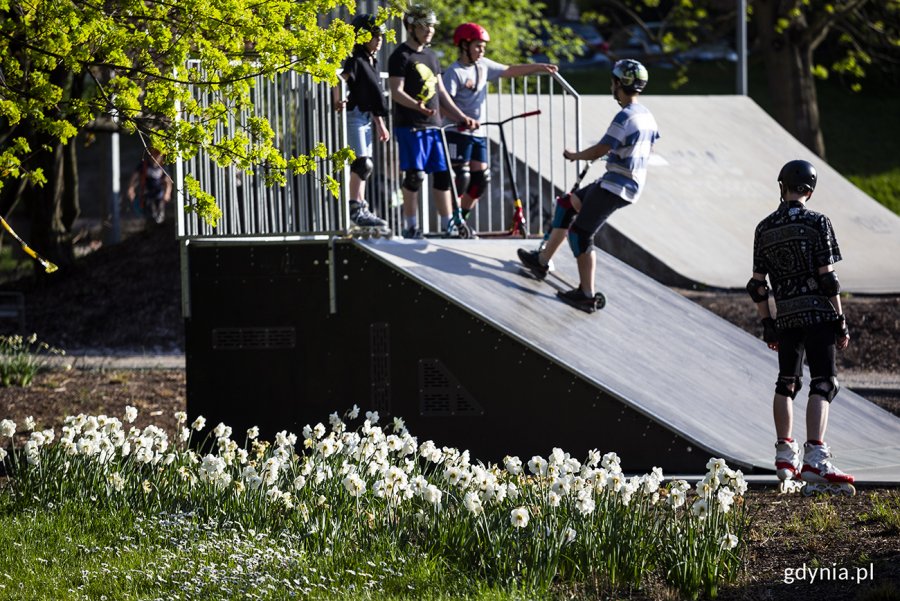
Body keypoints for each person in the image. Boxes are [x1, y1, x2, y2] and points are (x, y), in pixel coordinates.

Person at [517, 59, 659, 312]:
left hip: (617, 186)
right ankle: (541, 261)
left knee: (580, 234)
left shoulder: (625, 116)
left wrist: (576, 155)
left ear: (619, 84)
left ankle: (586, 293)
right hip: (615, 180)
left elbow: (602, 148)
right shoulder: (647, 115)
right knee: (566, 205)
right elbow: (643, 146)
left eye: (613, 81)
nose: (611, 85)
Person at [747, 159, 854, 493]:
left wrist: (767, 322)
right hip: (818, 314)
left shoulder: (764, 228)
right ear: (811, 188)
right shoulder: (817, 222)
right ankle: (816, 458)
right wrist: (840, 319)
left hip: (787, 316)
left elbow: (757, 285)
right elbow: (828, 279)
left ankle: (783, 454)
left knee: (786, 382)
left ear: (783, 186)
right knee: (824, 383)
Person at [442, 23, 557, 226]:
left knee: (480, 180)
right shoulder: (455, 72)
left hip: (479, 133)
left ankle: (461, 220)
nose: (481, 50)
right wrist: (461, 118)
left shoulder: (483, 66)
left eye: (483, 47)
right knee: (461, 178)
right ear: (464, 45)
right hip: (457, 132)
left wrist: (539, 67)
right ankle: (450, 221)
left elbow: (509, 70)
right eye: (478, 46)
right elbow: (444, 105)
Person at [387, 4, 478, 239]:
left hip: (434, 126)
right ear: (411, 27)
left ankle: (448, 225)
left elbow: (441, 93)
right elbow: (396, 91)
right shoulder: (400, 56)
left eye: (432, 26)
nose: (429, 30)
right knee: (414, 176)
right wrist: (416, 106)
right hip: (411, 125)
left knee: (443, 175)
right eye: (424, 26)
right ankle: (411, 226)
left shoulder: (430, 56)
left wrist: (461, 116)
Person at [333, 13, 391, 231]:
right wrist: (337, 99)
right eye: (375, 36)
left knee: (366, 166)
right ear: (362, 36)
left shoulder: (371, 61)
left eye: (381, 36)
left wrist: (380, 124)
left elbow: (371, 96)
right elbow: (337, 77)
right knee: (362, 163)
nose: (379, 40)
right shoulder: (356, 60)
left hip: (367, 117)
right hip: (355, 116)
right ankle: (355, 207)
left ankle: (361, 206)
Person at [126, 147, 172, 225]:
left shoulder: (163, 167)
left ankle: (159, 222)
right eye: (154, 154)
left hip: (159, 193)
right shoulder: (144, 165)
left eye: (158, 155)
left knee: (160, 211)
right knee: (149, 210)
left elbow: (168, 181)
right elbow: (135, 177)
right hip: (147, 192)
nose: (156, 157)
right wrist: (131, 188)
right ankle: (150, 223)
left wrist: (167, 193)